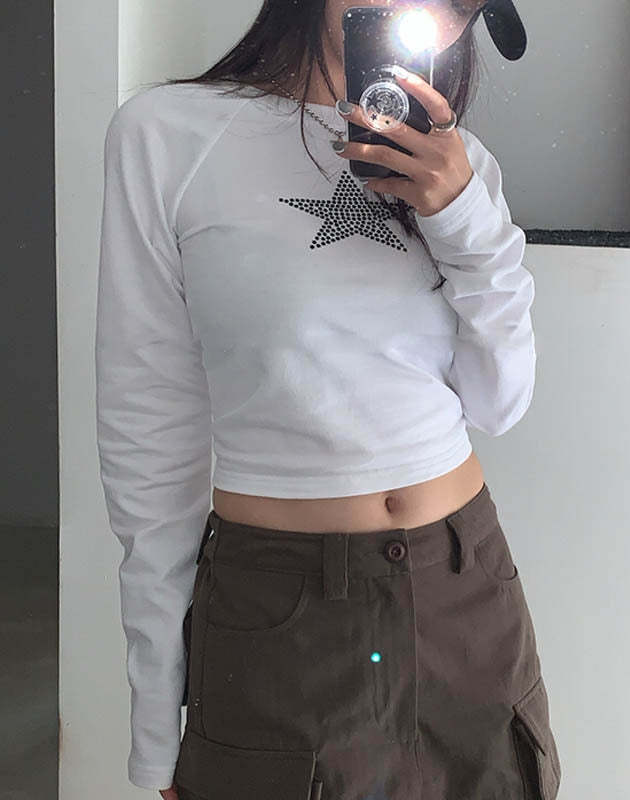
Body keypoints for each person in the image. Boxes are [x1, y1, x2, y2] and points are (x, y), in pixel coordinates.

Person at [95, 0, 561, 798]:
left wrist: (466, 223)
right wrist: (154, 724)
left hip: (463, 587)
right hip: (279, 606)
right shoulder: (167, 135)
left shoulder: (459, 168)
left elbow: (499, 402)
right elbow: (147, 433)